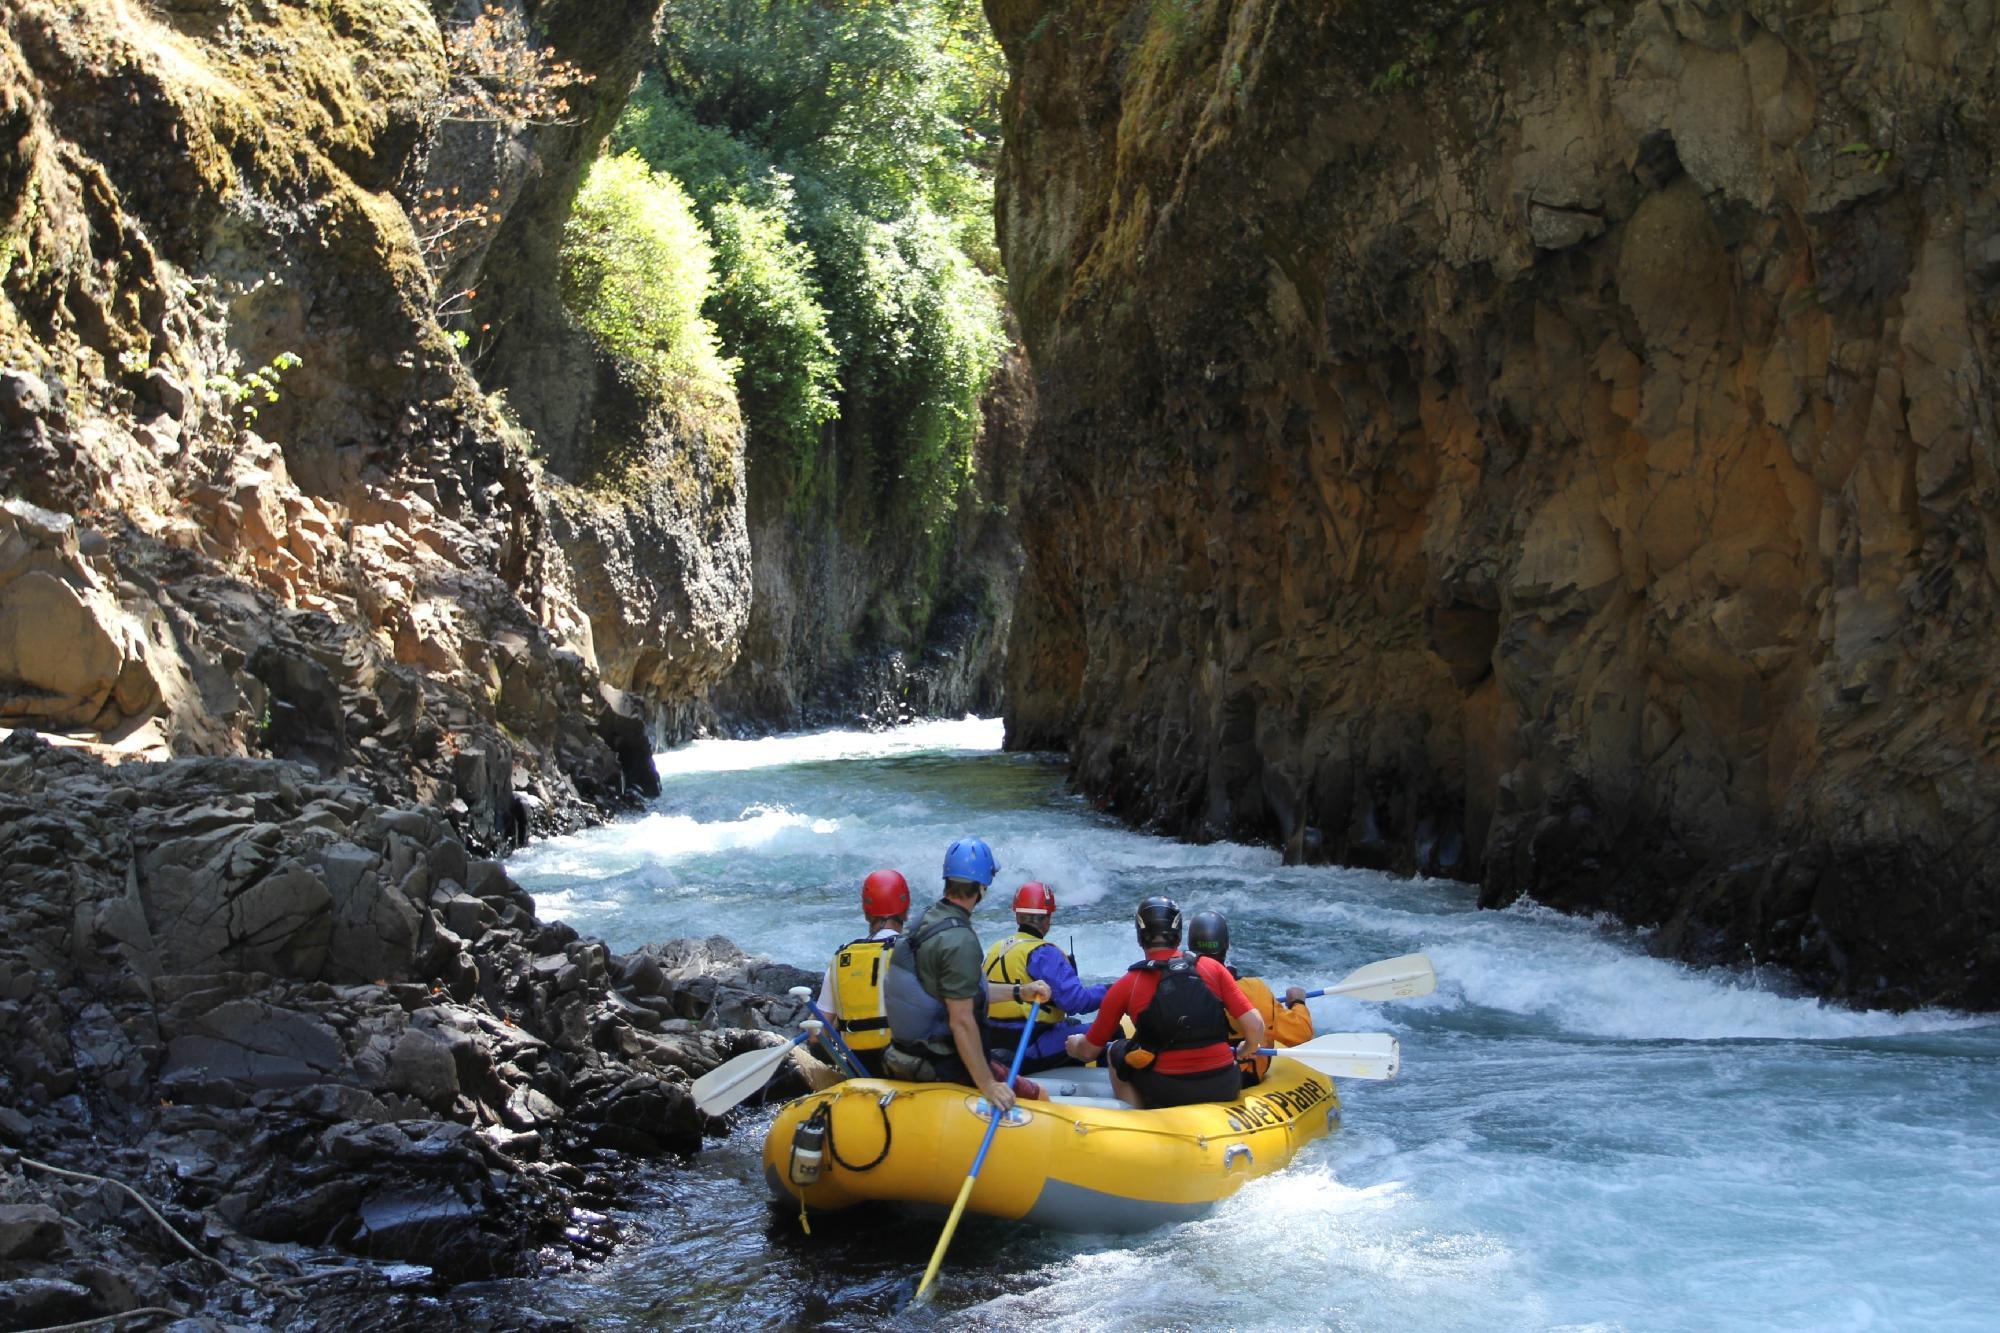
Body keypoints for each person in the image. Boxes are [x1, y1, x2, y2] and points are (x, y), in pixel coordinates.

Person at [883, 837, 1051, 1110]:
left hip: (904, 1053)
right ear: (982, 887)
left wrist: (1021, 991)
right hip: (941, 1061)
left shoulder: (926, 919)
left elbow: (963, 992)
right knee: (1039, 1095)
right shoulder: (959, 940)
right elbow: (961, 1020)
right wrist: (988, 1084)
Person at [1064, 896, 1265, 1109]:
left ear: (1140, 938)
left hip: (1167, 1090)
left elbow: (1088, 1052)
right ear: (1178, 936)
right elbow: (1255, 1025)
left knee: (1116, 1050)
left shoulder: (1126, 985)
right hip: (1224, 1083)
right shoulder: (1213, 968)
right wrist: (1247, 1047)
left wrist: (1075, 1044)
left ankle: (1137, 1116)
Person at [982, 882, 1109, 1074]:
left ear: (1017, 916)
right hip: (1028, 1047)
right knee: (1110, 1029)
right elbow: (1076, 1002)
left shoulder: (996, 947)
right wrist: (1111, 991)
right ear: (1048, 919)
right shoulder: (1044, 953)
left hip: (993, 1041)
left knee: (1072, 1025)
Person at [1187, 910, 1312, 1085]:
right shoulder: (1254, 990)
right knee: (1266, 1028)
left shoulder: (1172, 984)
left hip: (1184, 1074)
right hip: (1241, 1076)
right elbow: (1301, 1035)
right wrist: (1297, 1002)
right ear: (1226, 946)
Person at [814, 869, 911, 1077]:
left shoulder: (841, 959)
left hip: (860, 1068)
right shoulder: (916, 952)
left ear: (866, 911)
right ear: (906, 908)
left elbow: (816, 1035)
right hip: (907, 1069)